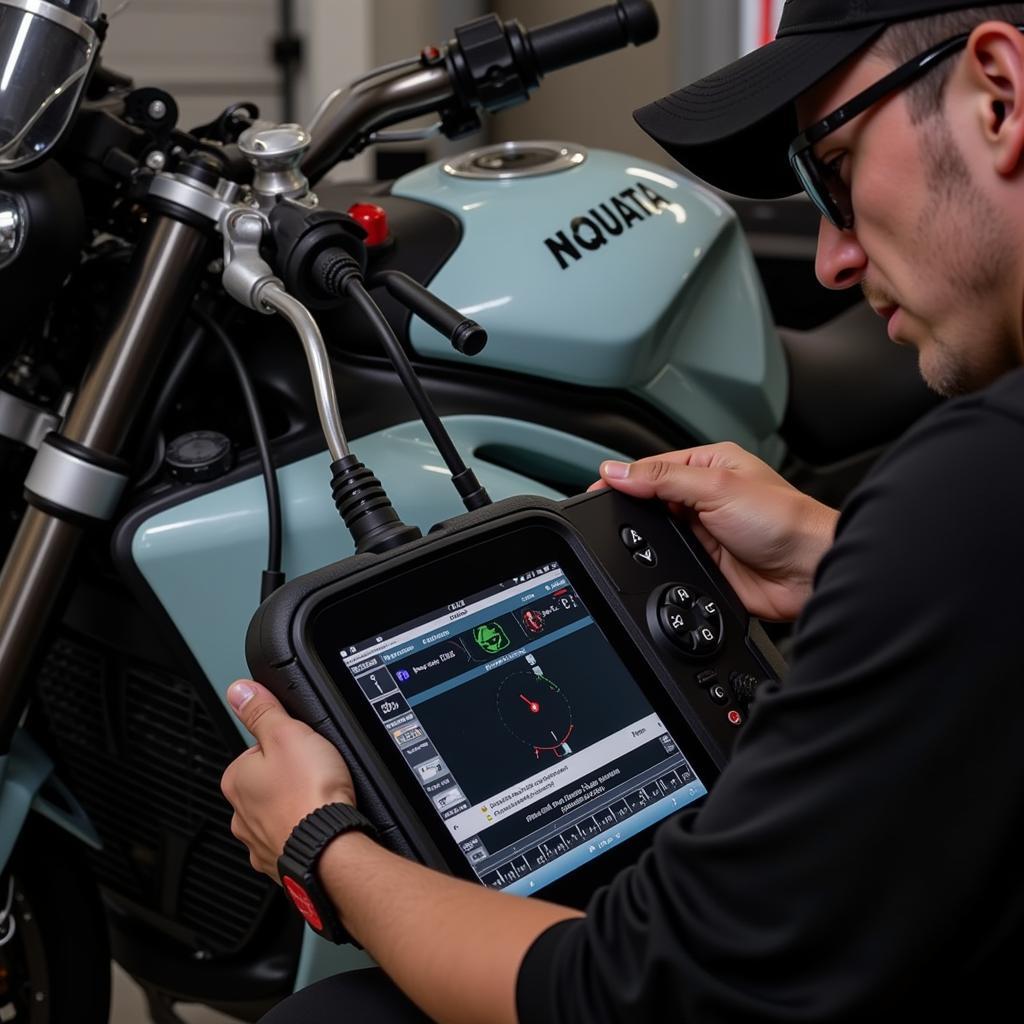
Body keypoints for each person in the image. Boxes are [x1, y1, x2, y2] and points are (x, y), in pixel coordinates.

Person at [220, 1, 1024, 1019]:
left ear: (997, 93)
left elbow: (625, 995)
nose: (831, 260)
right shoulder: (969, 517)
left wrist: (318, 843)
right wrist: (850, 567)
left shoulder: (974, 483)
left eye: (832, 171)